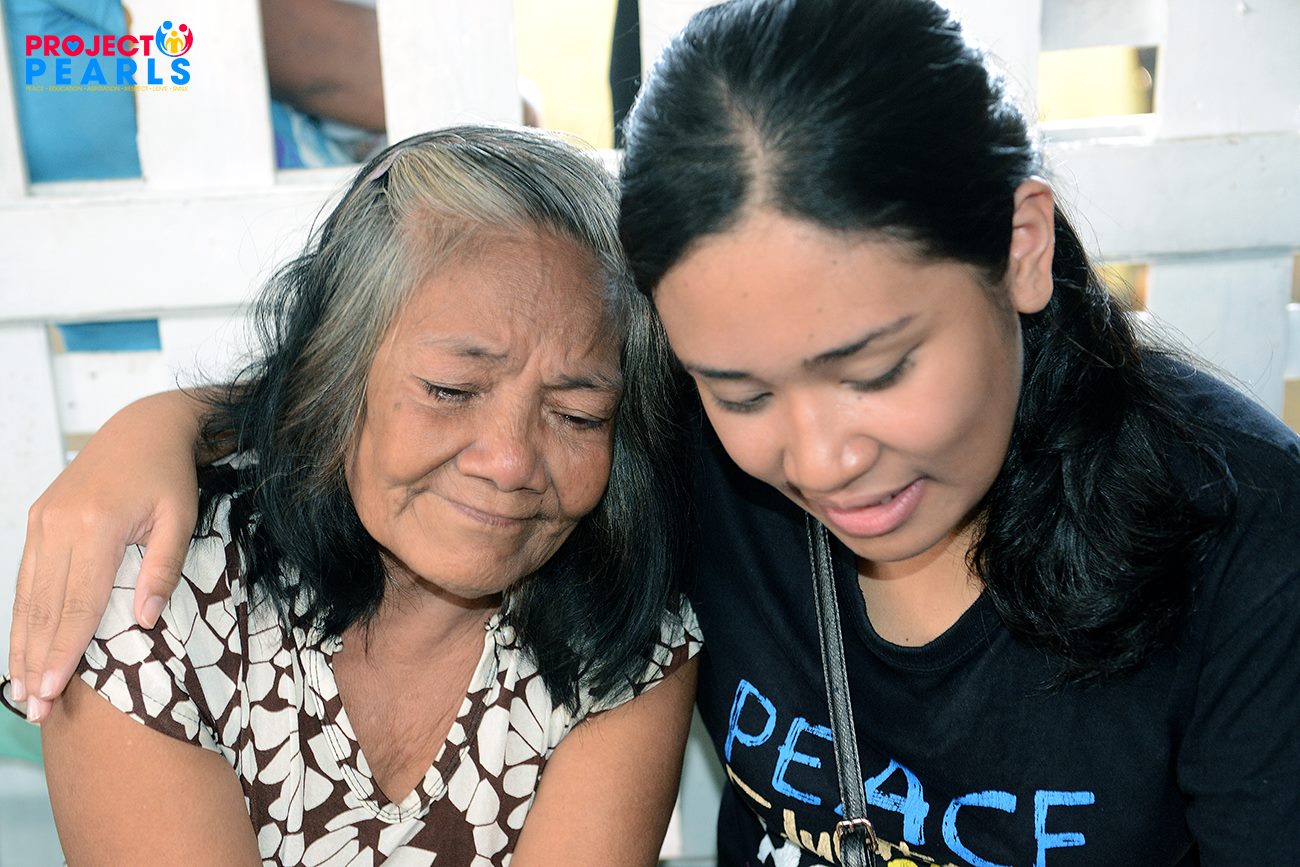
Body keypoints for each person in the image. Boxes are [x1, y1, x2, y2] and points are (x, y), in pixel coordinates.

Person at [9, 0, 1300, 864]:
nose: (820, 460)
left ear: (1019, 247)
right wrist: (158, 427)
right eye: (738, 390)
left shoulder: (1250, 551)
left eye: (876, 368)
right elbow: (445, 390)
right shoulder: (678, 459)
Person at [1, 126, 700, 866]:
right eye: (450, 390)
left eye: (577, 415)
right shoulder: (157, 594)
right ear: (338, 371)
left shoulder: (625, 631)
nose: (510, 462)